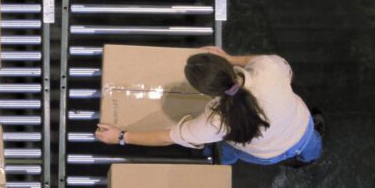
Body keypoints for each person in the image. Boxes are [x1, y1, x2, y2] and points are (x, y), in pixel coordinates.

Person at [95, 47, 325, 167]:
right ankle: (310, 160)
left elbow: (168, 136)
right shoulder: (269, 69)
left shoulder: (216, 121)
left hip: (268, 154)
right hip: (302, 128)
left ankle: (220, 159)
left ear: (206, 93)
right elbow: (281, 68)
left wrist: (122, 136)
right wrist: (232, 58)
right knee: (312, 149)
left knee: (229, 149)